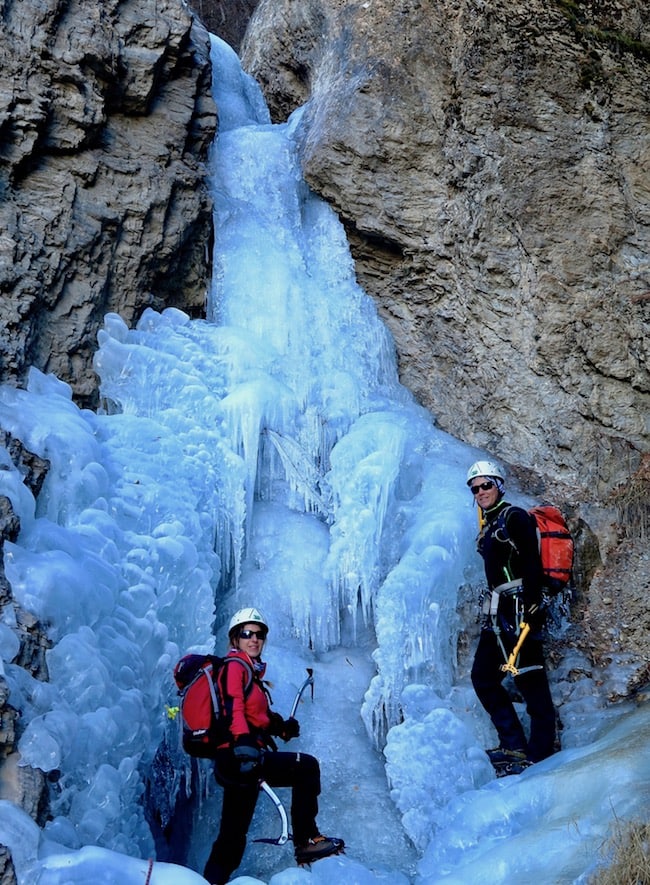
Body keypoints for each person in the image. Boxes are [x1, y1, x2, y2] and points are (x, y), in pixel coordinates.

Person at [202, 606, 344, 884]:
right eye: (246, 634)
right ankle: (306, 840)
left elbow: (258, 715)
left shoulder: (249, 673)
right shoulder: (235, 666)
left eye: (259, 634)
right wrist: (243, 742)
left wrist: (281, 728)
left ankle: (211, 881)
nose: (254, 639)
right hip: (240, 757)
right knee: (306, 768)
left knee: (232, 834)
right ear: (235, 639)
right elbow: (234, 705)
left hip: (240, 760)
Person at [466, 460, 557, 773]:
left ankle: (542, 754)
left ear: (499, 484)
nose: (480, 492)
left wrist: (532, 606)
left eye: (486, 485)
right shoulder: (490, 525)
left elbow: (532, 562)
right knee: (483, 677)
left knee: (531, 680)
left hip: (519, 606)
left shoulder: (513, 516)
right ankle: (514, 744)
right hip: (498, 611)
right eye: (475, 488)